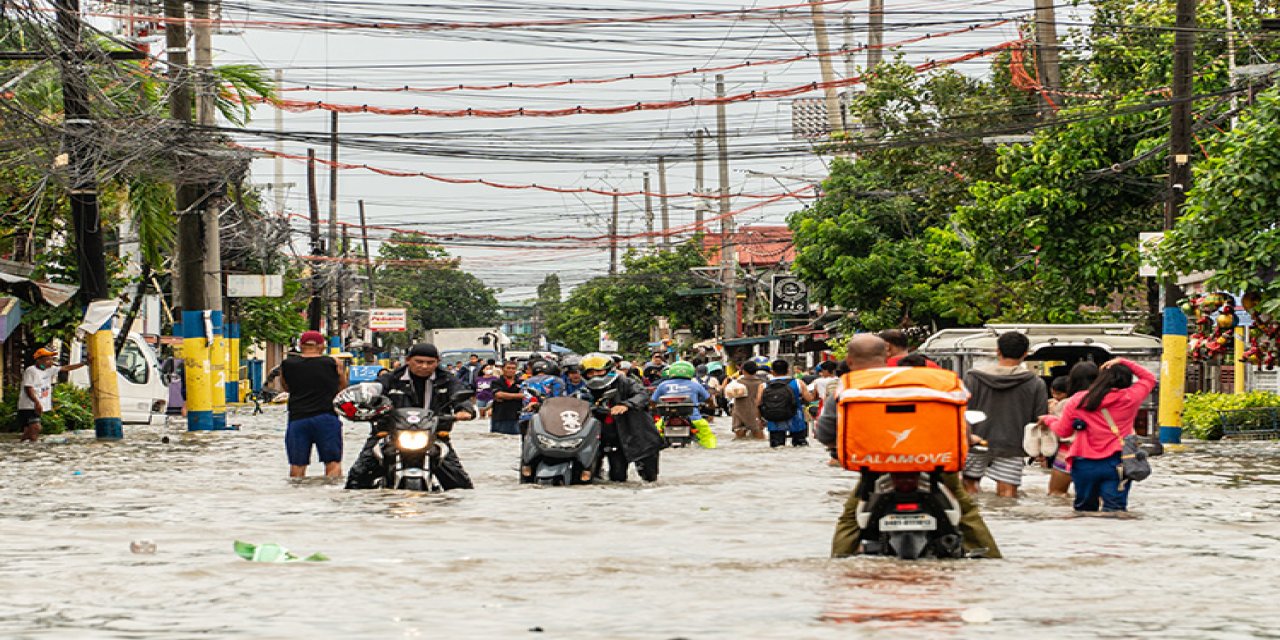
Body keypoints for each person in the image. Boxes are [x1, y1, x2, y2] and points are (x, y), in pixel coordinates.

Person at [816, 335, 1001, 559]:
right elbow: (958, 423)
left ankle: (839, 563)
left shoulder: (849, 388)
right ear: (886, 355)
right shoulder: (926, 381)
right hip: (936, 463)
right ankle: (993, 562)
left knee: (850, 518)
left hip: (876, 467)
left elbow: (825, 433)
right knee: (966, 511)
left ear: (849, 360)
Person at [345, 343, 476, 490]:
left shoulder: (447, 379)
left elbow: (460, 394)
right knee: (357, 477)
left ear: (438, 362)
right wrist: (364, 401)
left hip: (434, 435)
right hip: (389, 434)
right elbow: (375, 390)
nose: (424, 366)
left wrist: (464, 410)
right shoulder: (392, 378)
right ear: (408, 360)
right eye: (419, 362)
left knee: (460, 485)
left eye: (429, 363)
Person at [1043, 358, 1156, 512]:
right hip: (1117, 463)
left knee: (1084, 511)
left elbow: (1063, 431)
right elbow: (1149, 378)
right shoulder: (1130, 398)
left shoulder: (1079, 399)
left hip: (1083, 463)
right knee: (1115, 511)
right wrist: (1123, 361)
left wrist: (1048, 420)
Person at [961, 331, 1048, 498]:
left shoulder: (973, 377)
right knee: (1008, 494)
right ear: (1025, 354)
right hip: (1012, 445)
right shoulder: (1035, 383)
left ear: (997, 351)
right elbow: (1039, 419)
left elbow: (963, 411)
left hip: (975, 442)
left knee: (969, 489)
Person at [578, 353, 665, 481]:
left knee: (649, 477)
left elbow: (642, 395)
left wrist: (626, 405)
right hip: (612, 438)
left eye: (599, 371)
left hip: (637, 434)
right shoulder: (584, 390)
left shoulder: (625, 382)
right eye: (591, 372)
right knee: (617, 477)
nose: (595, 375)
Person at [280, 331, 349, 478]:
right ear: (322, 346)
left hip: (298, 419)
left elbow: (286, 388)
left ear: (300, 346)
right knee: (333, 463)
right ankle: (330, 493)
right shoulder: (334, 363)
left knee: (297, 466)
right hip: (326, 418)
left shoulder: (287, 364)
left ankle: (296, 499)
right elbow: (342, 389)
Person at [1045, 362, 1100, 496]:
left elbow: (1061, 431)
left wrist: (1049, 419)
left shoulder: (1067, 403)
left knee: (1056, 494)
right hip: (1099, 453)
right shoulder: (1106, 401)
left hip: (1068, 452)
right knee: (1096, 497)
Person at [18, 348, 86, 442]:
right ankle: (32, 448)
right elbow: (28, 388)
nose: (50, 362)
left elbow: (66, 368)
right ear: (39, 361)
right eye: (47, 359)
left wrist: (84, 363)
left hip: (36, 405)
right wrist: (37, 402)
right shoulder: (31, 371)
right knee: (36, 427)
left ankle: (22, 446)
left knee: (29, 430)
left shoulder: (49, 370)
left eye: (51, 359)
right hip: (28, 405)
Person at [651, 361, 717, 448]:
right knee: (707, 438)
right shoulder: (695, 385)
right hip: (693, 418)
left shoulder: (663, 385)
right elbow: (709, 399)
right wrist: (712, 406)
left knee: (655, 435)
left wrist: (654, 410)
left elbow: (652, 402)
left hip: (666, 418)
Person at [759, 359, 814, 447]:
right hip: (796, 419)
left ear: (772, 372)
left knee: (777, 447)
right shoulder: (798, 382)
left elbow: (758, 403)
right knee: (800, 446)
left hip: (774, 420)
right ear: (788, 371)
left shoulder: (764, 386)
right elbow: (809, 399)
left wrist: (759, 419)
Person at [521, 359, 567, 434]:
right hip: (549, 418)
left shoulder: (525, 382)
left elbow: (524, 400)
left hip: (526, 418)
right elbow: (559, 400)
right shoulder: (556, 380)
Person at [729, 360, 766, 439]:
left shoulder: (737, 382)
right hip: (755, 413)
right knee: (759, 437)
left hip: (739, 412)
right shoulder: (762, 383)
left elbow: (728, 395)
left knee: (739, 439)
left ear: (743, 371)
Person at [490, 360, 523, 435]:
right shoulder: (496, 382)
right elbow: (499, 394)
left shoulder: (521, 382)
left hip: (517, 416)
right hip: (500, 416)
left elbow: (527, 395)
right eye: (508, 368)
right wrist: (519, 396)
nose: (511, 370)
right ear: (502, 369)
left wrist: (506, 396)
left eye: (513, 368)